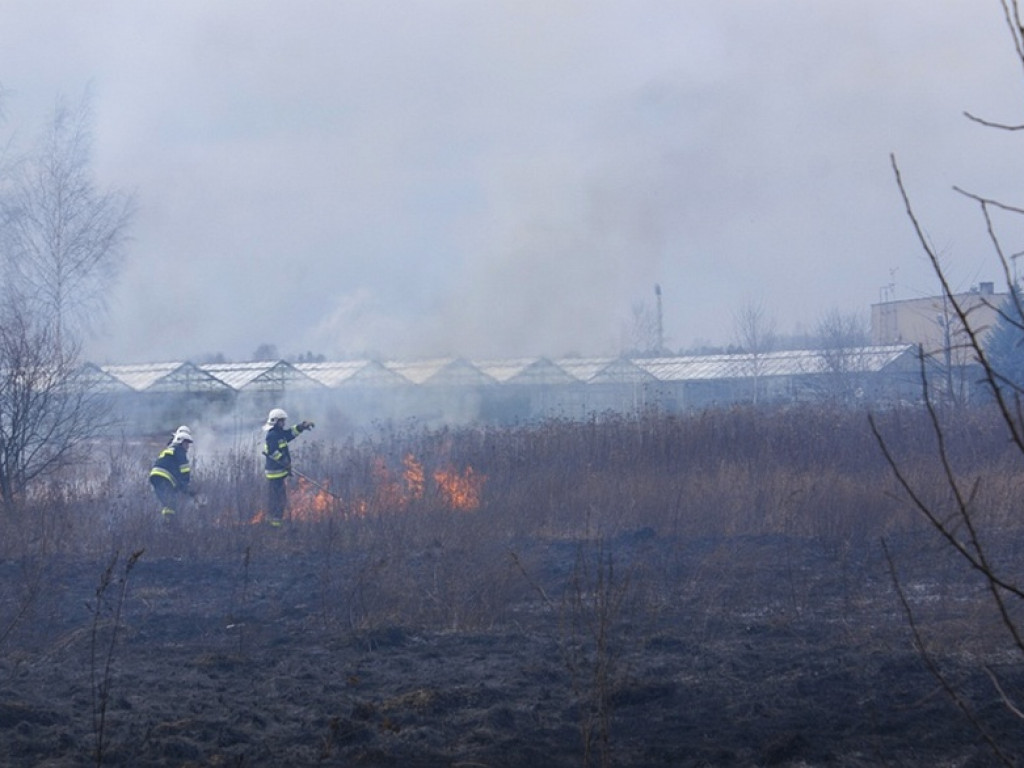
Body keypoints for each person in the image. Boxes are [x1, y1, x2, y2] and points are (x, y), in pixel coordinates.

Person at [262, 408, 315, 526]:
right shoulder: (272, 435)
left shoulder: (279, 433)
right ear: (275, 421)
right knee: (277, 499)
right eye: (282, 421)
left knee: (279, 498)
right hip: (275, 473)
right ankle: (275, 524)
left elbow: (289, 434)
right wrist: (284, 461)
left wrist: (301, 427)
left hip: (279, 472)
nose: (284, 423)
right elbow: (273, 452)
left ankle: (275, 520)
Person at [149, 425, 195, 520]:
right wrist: (186, 485)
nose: (187, 446)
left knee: (168, 503)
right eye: (186, 443)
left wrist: (181, 487)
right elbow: (184, 469)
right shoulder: (179, 450)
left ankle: (166, 521)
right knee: (171, 503)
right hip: (164, 477)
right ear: (180, 442)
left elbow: (175, 472)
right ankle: (169, 522)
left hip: (156, 477)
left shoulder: (170, 449)